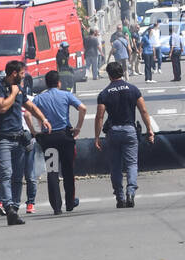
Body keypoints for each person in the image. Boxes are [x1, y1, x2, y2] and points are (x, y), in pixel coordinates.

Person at [0, 60, 51, 226]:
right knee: (6, 174)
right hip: (3, 139)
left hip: (19, 138)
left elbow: (29, 106)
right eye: (22, 73)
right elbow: (1, 107)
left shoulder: (19, 89)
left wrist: (43, 119)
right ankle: (8, 206)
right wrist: (13, 93)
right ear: (14, 73)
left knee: (18, 177)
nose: (24, 76)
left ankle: (14, 210)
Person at [93, 60, 155, 208]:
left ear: (109, 75)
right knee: (132, 164)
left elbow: (100, 116)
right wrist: (149, 130)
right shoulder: (133, 89)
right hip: (129, 130)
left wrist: (96, 137)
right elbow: (144, 111)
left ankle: (120, 198)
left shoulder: (104, 94)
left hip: (113, 132)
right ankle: (131, 192)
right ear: (122, 72)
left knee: (115, 166)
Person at [32, 69, 87, 214]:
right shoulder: (66, 95)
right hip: (65, 137)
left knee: (52, 171)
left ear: (46, 83)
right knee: (68, 171)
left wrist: (35, 130)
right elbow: (83, 108)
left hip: (48, 138)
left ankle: (56, 206)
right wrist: (78, 127)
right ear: (59, 83)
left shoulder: (39, 98)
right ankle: (70, 202)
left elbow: (27, 113)